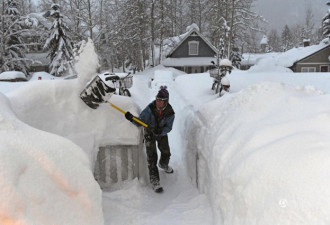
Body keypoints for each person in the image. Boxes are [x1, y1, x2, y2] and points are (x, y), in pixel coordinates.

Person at [124, 87, 175, 193]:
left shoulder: (170, 112)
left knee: (166, 152)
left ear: (166, 101)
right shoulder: (150, 109)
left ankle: (163, 164)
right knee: (152, 157)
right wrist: (131, 118)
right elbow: (140, 121)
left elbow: (169, 127)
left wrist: (160, 131)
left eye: (161, 100)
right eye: (157, 99)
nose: (158, 102)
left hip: (161, 133)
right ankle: (155, 181)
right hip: (149, 133)